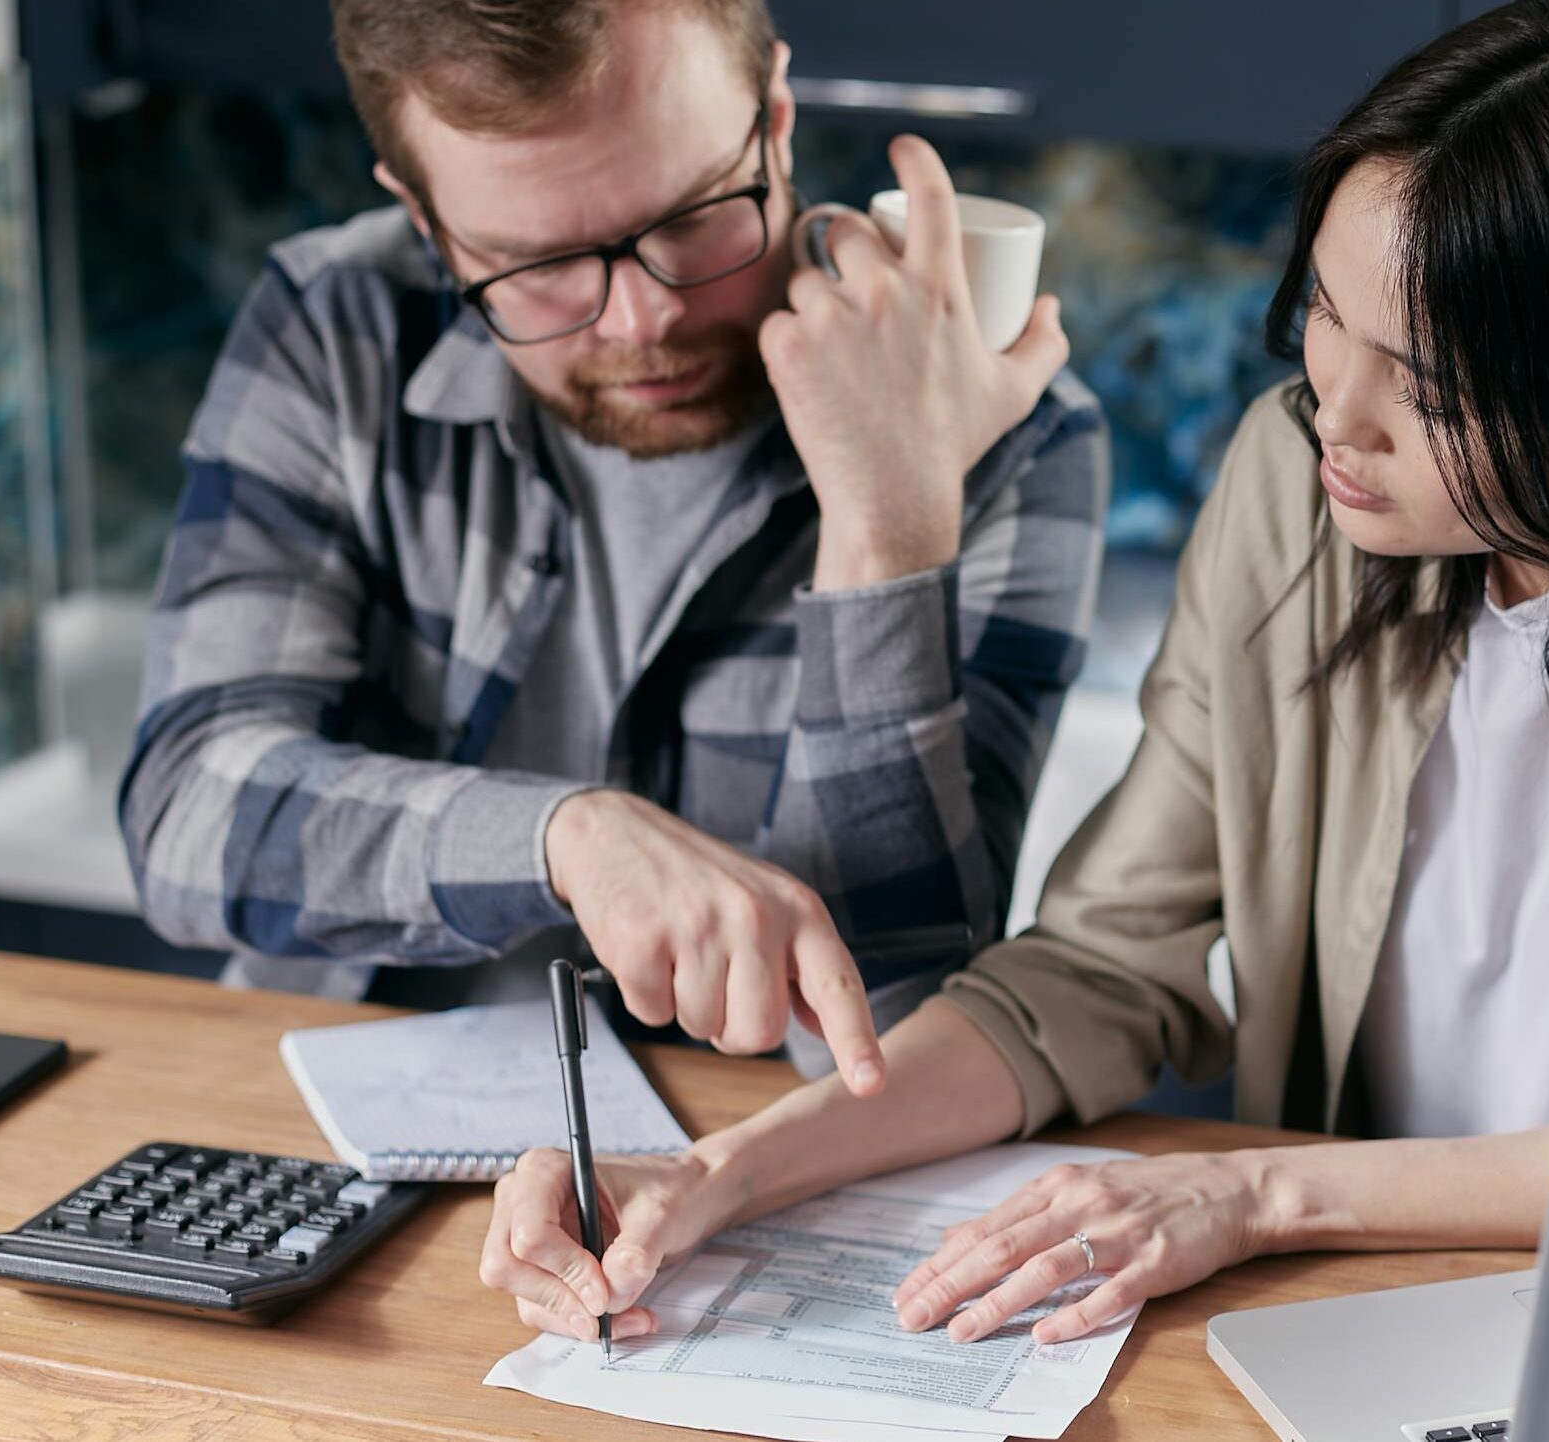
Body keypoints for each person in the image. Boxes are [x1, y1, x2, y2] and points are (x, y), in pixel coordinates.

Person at [478, 0, 1549, 1348]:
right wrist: (723, 1172)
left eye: (1428, 388)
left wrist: (1253, 1188)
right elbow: (1096, 968)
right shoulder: (1298, 484)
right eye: (1328, 321)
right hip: (1351, 1309)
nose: (1331, 414)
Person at [119, 0, 1109, 1088]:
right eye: (533, 264)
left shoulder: (1005, 423)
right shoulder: (335, 325)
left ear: (774, 120)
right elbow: (185, 814)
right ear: (423, 219)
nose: (643, 323)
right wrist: (563, 841)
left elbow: (892, 1028)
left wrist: (886, 528)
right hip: (337, 1115)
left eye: (690, 218)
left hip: (754, 1164)